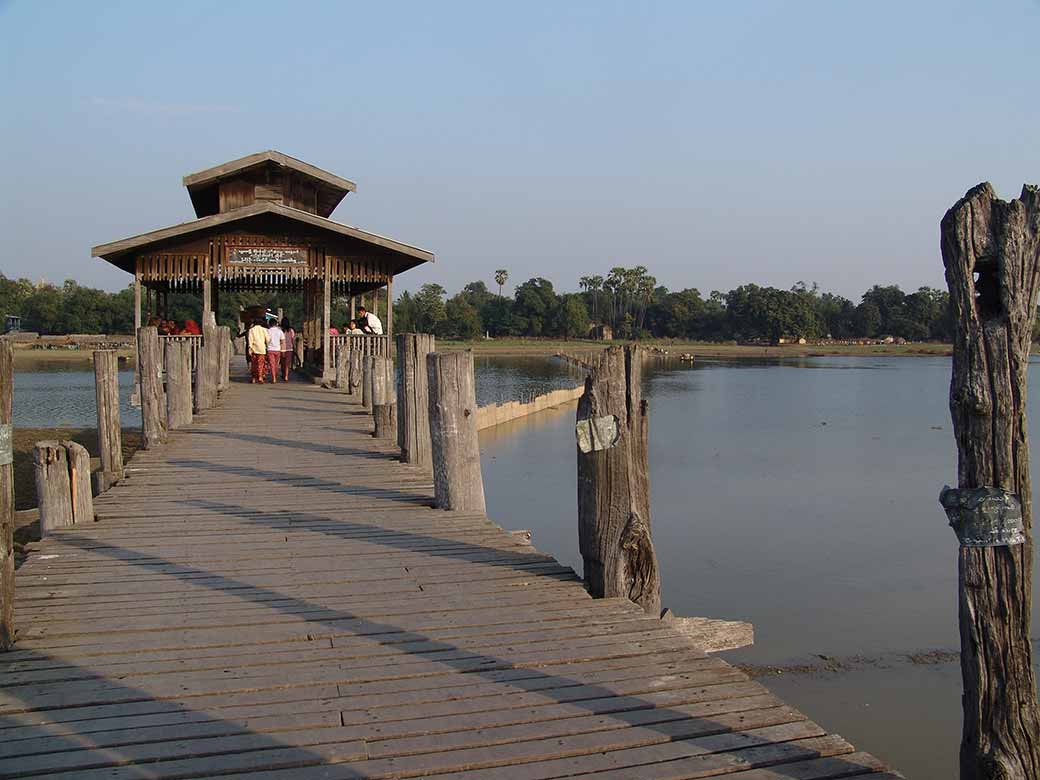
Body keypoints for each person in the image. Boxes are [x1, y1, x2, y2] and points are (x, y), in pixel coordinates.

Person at [247, 319, 269, 383]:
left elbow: (250, 340)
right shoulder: (264, 330)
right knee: (261, 364)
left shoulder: (251, 330)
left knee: (254, 364)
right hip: (262, 349)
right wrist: (267, 345)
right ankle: (260, 377)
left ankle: (253, 378)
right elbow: (268, 339)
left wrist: (250, 348)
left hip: (254, 349)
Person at [266, 319, 285, 383]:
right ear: (276, 324)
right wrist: (282, 350)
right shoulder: (280, 331)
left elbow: (266, 340)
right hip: (277, 350)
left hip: (270, 349)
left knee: (272, 364)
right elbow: (282, 341)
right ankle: (275, 375)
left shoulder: (267, 331)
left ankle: (274, 378)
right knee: (276, 364)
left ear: (269, 324)